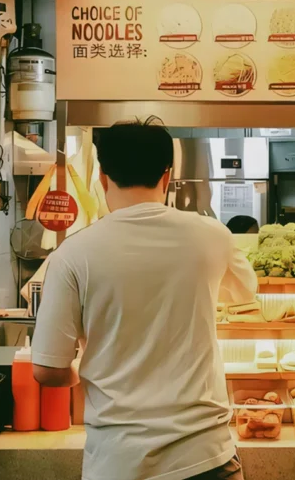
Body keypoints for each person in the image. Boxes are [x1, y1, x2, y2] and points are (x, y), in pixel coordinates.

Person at [31, 119, 258, 480]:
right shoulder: (213, 236)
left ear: (103, 178)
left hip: (118, 462)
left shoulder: (73, 254)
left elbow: (47, 371)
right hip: (206, 457)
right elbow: (246, 294)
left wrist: (85, 372)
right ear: (167, 176)